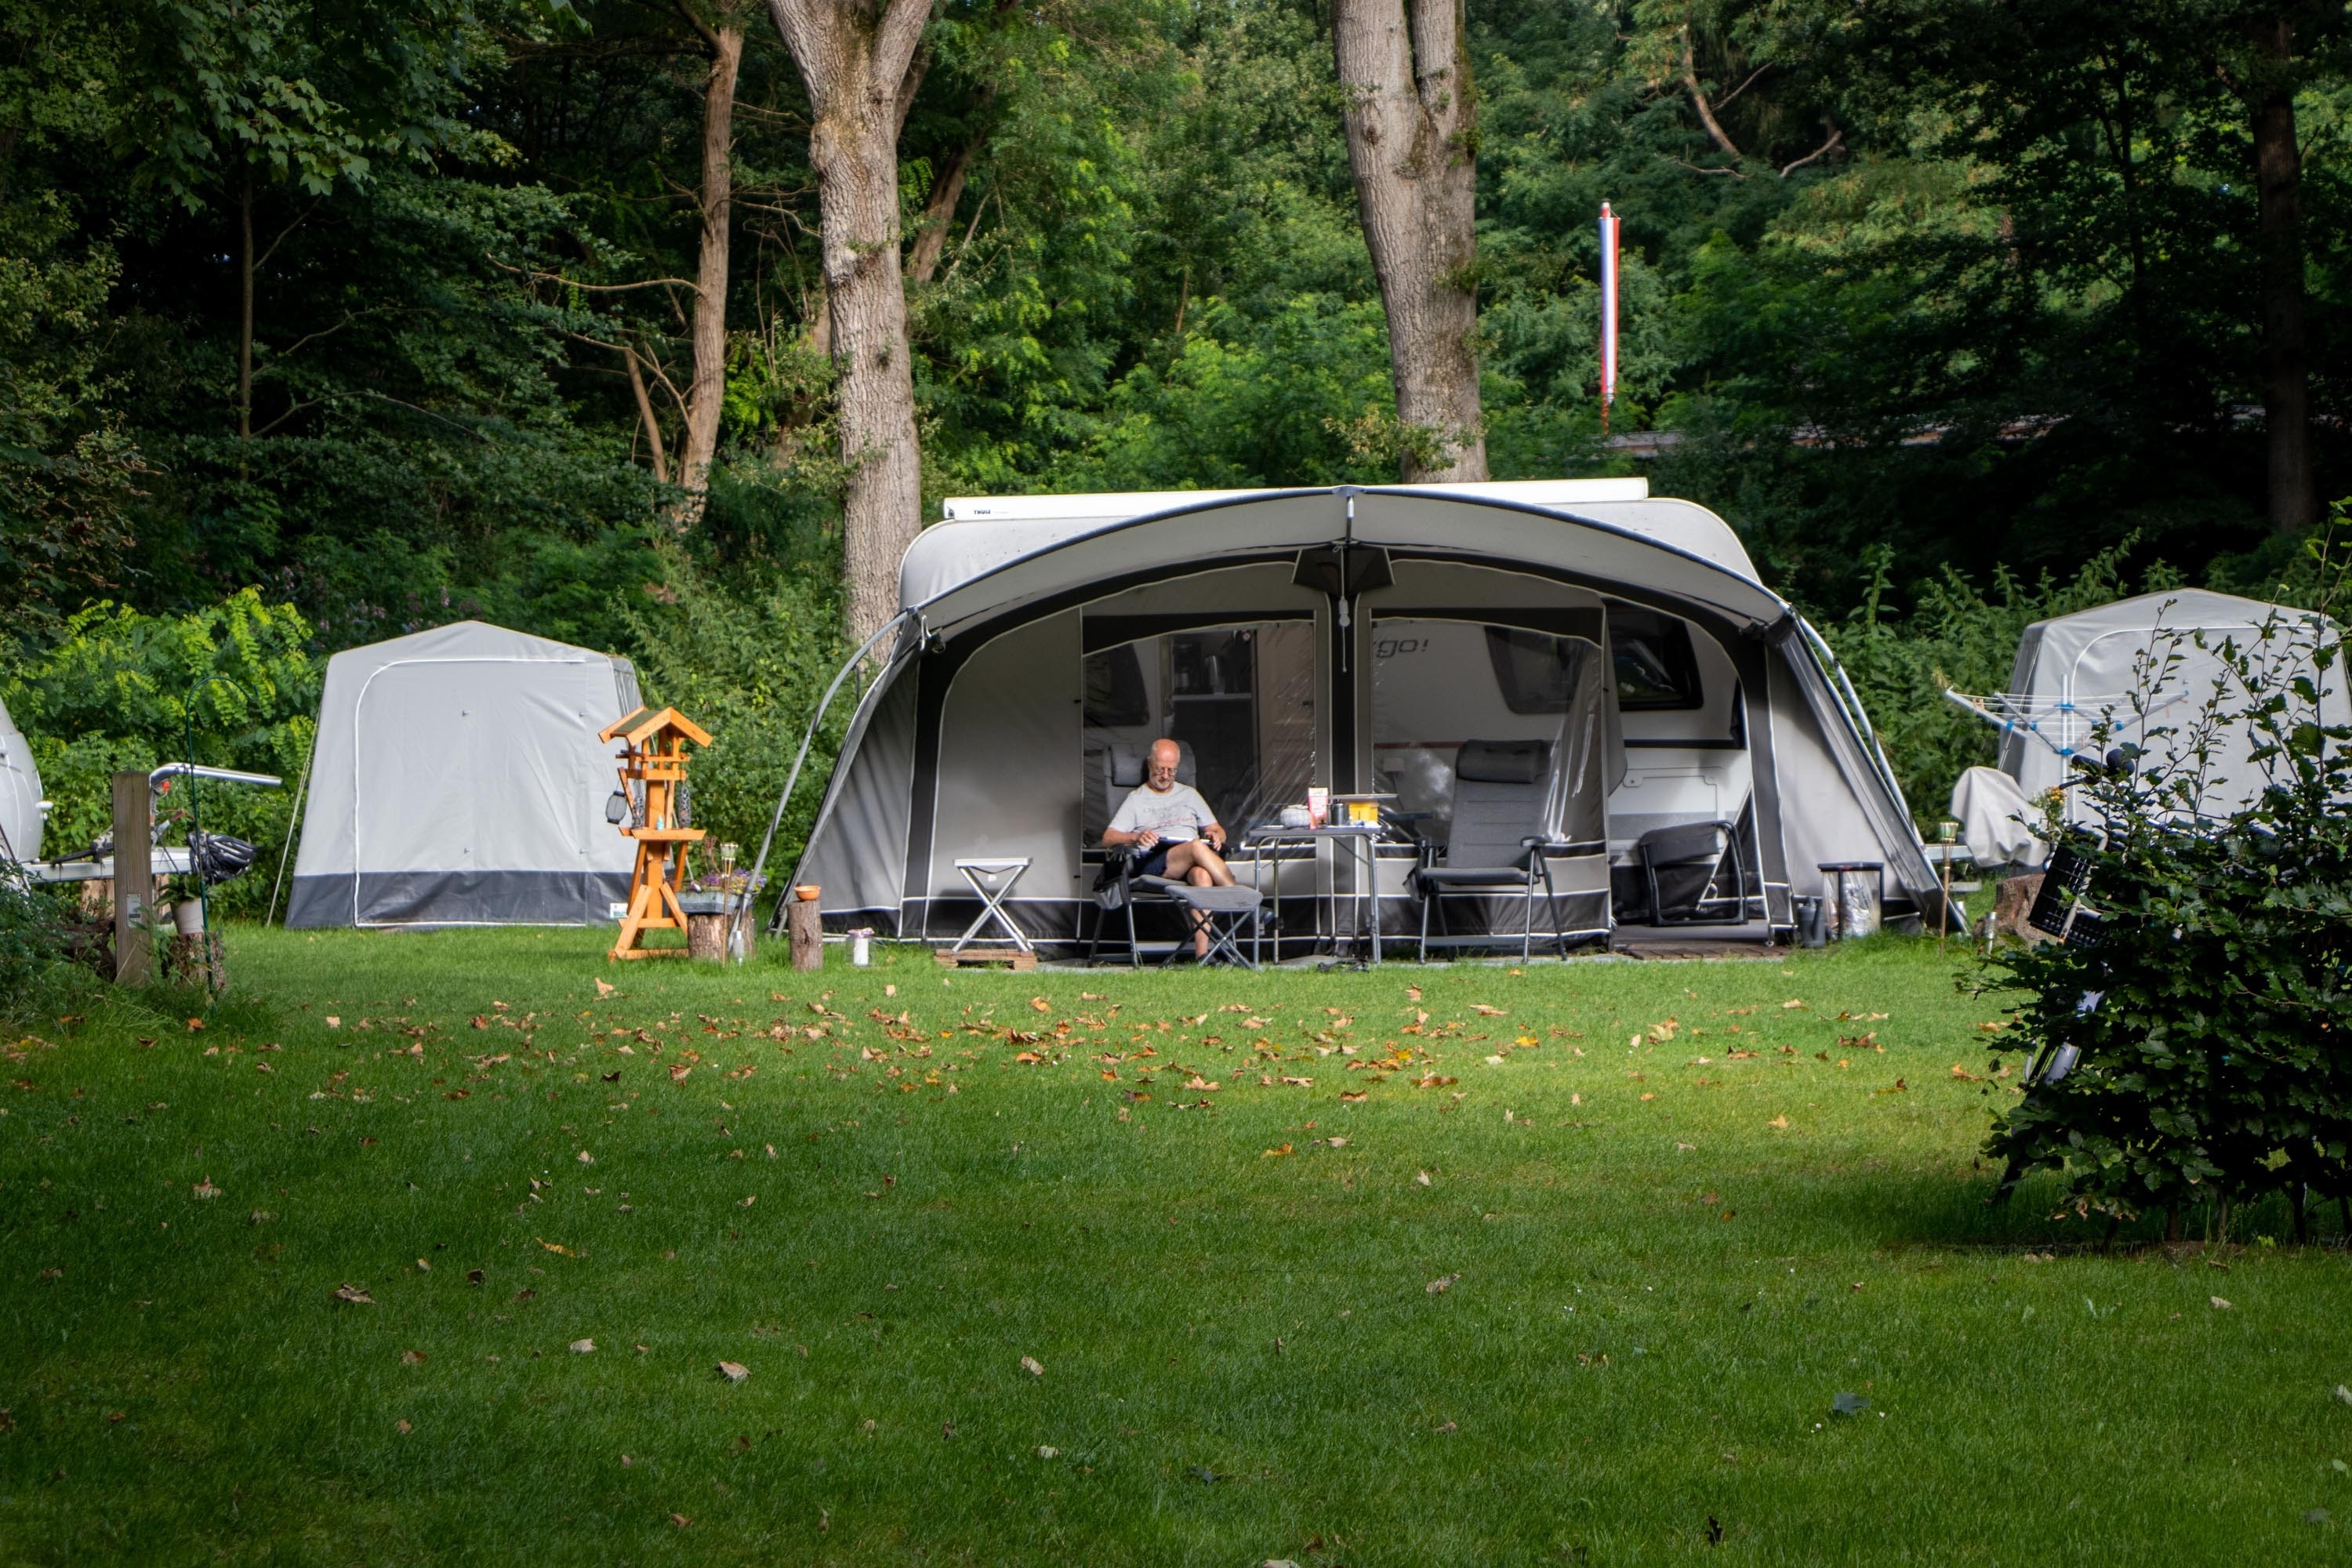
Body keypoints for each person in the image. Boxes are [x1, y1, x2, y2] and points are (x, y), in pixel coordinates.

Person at [1104, 737, 1237, 959]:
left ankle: (1202, 956)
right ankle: (1238, 897)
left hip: (1193, 862)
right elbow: (1108, 838)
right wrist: (1136, 836)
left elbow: (1218, 829)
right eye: (1160, 769)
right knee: (1195, 846)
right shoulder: (1136, 799)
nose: (1165, 776)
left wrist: (1216, 835)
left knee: (1203, 876)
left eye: (1172, 771)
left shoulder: (1190, 795)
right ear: (1149, 763)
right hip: (1155, 862)